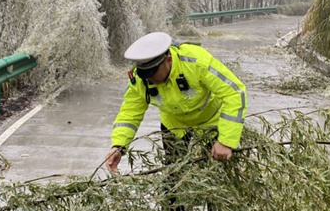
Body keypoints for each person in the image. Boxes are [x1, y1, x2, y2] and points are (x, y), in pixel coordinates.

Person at [105, 31, 247, 171]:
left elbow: (234, 92)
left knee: (214, 174)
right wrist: (118, 146)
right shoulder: (139, 80)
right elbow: (129, 113)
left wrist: (226, 141)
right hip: (174, 127)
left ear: (169, 60)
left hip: (210, 123)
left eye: (153, 73)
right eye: (145, 75)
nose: (150, 79)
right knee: (174, 176)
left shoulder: (196, 61)